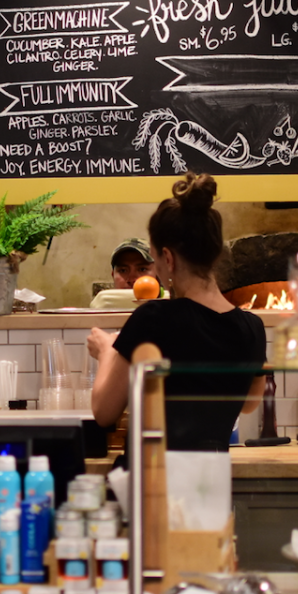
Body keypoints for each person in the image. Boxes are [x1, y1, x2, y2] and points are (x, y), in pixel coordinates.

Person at [86, 174, 266, 450]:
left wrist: (106, 352)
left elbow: (103, 412)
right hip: (210, 474)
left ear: (168, 259)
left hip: (153, 473)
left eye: (155, 259)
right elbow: (250, 403)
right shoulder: (252, 327)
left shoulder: (154, 318)